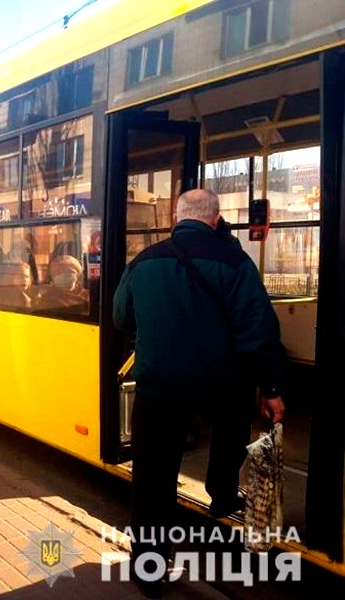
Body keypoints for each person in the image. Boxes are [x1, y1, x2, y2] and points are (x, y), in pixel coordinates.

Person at [112, 188, 286, 598]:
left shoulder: (144, 260)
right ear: (215, 219)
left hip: (159, 386)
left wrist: (155, 340)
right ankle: (222, 494)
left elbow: (122, 316)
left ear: (177, 217)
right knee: (230, 429)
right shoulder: (235, 261)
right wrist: (272, 387)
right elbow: (257, 329)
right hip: (220, 383)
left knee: (152, 479)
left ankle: (149, 572)